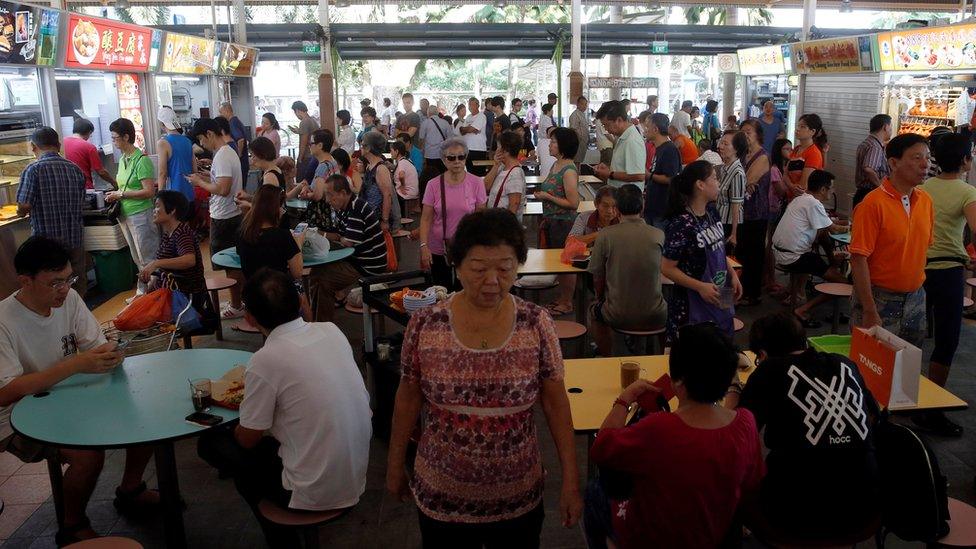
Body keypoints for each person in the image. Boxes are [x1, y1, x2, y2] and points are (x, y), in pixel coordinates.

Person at [387, 209, 582, 547]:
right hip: (441, 497)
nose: (492, 281)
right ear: (457, 266)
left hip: (517, 498)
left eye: (505, 269)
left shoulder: (535, 324)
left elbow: (555, 402)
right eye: (478, 269)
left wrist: (571, 480)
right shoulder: (426, 324)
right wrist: (393, 465)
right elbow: (408, 397)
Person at [0, 236, 158, 545]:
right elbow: (6, 392)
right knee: (87, 457)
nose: (64, 289)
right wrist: (75, 365)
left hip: (69, 395)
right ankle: (72, 526)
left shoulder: (68, 299)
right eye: (54, 283)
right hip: (17, 415)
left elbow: (94, 345)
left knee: (144, 417)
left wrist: (110, 351)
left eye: (68, 278)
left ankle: (130, 489)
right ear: (25, 281)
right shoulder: (4, 320)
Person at [198, 268, 371, 548]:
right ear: (300, 301)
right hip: (355, 475)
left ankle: (283, 541)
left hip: (311, 492)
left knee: (213, 445)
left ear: (251, 319)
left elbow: (248, 438)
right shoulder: (331, 331)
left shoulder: (266, 360)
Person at [584, 322, 764, 549]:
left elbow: (601, 447)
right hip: (717, 533)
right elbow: (752, 484)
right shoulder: (745, 423)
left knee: (595, 491)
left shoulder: (658, 428)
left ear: (678, 382)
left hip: (655, 538)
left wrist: (624, 400)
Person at [724, 312, 880, 542]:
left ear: (763, 355)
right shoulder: (845, 364)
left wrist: (734, 388)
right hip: (866, 508)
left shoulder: (769, 371)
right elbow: (874, 416)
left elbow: (737, 434)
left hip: (794, 515)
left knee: (732, 477)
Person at [915, 133, 976, 436]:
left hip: (918, 270)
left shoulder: (922, 189)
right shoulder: (967, 192)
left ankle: (904, 397)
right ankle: (931, 409)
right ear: (966, 160)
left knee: (912, 337)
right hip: (950, 272)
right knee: (947, 339)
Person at [850, 133, 934, 349]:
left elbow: (921, 249)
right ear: (893, 163)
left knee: (907, 366)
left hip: (916, 297)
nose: (925, 164)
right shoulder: (872, 204)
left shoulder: (925, 201)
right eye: (917, 158)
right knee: (873, 365)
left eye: (928, 157)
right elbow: (858, 259)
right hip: (880, 299)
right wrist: (869, 309)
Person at [662, 161, 743, 342]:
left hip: (721, 289)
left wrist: (732, 275)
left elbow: (719, 250)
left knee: (724, 340)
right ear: (700, 185)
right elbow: (667, 268)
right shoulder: (681, 223)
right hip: (691, 301)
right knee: (699, 352)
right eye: (714, 178)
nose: (718, 183)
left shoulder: (712, 212)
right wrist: (700, 287)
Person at [588, 184, 667, 356]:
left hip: (618, 314)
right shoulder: (659, 235)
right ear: (643, 205)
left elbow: (597, 276)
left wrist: (600, 298)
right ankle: (659, 358)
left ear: (616, 209)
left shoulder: (605, 235)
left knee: (594, 312)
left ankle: (608, 357)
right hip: (656, 313)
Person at [16, 127, 88, 296]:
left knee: (51, 285)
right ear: (58, 145)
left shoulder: (33, 170)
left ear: (33, 147)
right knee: (75, 280)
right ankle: (77, 316)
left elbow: (24, 205)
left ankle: (56, 320)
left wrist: (20, 212)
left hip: (46, 243)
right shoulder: (75, 169)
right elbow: (82, 201)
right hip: (74, 238)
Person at [772, 170, 850, 324]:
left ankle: (833, 263)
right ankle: (803, 310)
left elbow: (826, 223)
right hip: (794, 257)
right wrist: (852, 227)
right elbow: (833, 228)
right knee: (843, 283)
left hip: (782, 252)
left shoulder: (801, 199)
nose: (832, 191)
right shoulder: (813, 203)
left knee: (821, 235)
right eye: (831, 188)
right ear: (823, 189)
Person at [308, 174, 387, 321]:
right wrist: (321, 233)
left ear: (343, 193)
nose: (327, 200)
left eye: (329, 195)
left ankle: (321, 326)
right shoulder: (345, 207)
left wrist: (335, 237)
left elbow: (348, 242)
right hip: (357, 259)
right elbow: (339, 236)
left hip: (367, 265)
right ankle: (317, 320)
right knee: (316, 272)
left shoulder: (357, 208)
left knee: (323, 281)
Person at [190, 117, 245, 318]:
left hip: (224, 217)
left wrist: (199, 182)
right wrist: (206, 177)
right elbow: (222, 182)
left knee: (230, 266)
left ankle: (237, 305)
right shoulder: (227, 152)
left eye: (201, 140)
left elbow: (222, 189)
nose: (201, 144)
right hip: (232, 214)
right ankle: (240, 303)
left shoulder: (222, 156)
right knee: (234, 264)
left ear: (210, 134)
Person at [419, 137, 487, 289]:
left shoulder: (476, 183)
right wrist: (424, 246)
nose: (457, 161)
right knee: (440, 292)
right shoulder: (433, 184)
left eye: (461, 157)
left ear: (465, 158)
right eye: (451, 157)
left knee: (465, 292)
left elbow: (480, 219)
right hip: (438, 247)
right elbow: (425, 219)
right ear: (444, 160)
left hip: (466, 247)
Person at [105, 118, 158, 295]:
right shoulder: (123, 159)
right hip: (125, 214)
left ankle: (153, 293)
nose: (113, 141)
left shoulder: (141, 160)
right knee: (136, 256)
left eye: (115, 138)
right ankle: (142, 291)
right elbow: (123, 186)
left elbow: (149, 191)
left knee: (147, 255)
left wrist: (121, 194)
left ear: (126, 137)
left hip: (141, 214)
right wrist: (117, 194)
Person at [536, 128, 581, 315]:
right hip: (553, 221)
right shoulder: (556, 165)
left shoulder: (568, 170)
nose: (550, 144)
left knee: (566, 263)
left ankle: (567, 302)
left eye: (553, 141)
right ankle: (562, 297)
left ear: (563, 146)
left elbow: (573, 203)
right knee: (558, 263)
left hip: (564, 223)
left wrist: (548, 197)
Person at [140, 190, 205, 295]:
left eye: (157, 206)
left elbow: (189, 260)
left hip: (182, 297)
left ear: (172, 210)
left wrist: (156, 263)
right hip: (168, 292)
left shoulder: (182, 233)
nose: (154, 210)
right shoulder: (168, 234)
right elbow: (163, 271)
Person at [737, 119, 771, 306]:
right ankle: (741, 290)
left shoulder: (763, 156)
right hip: (742, 211)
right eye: (742, 132)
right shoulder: (743, 154)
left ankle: (752, 293)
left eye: (748, 132)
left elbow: (746, 181)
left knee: (754, 253)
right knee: (741, 252)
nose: (745, 135)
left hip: (756, 213)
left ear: (758, 134)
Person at [294, 129, 341, 233]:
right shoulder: (333, 161)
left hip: (322, 214)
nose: (309, 145)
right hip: (334, 210)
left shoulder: (322, 167)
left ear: (320, 145)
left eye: (311, 143)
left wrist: (306, 195)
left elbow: (318, 195)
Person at [594, 101, 646, 190]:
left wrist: (610, 174)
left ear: (619, 120)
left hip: (628, 198)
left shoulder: (632, 140)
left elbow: (639, 175)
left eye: (607, 125)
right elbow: (624, 168)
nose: (606, 129)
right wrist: (609, 169)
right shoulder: (621, 137)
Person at [644, 113, 681, 229]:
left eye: (647, 127)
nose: (645, 130)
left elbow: (671, 178)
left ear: (655, 129)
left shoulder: (669, 150)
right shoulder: (659, 148)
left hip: (662, 210)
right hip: (653, 207)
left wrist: (648, 175)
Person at [358, 132, 400, 231]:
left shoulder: (380, 169)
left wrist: (384, 220)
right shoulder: (369, 166)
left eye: (362, 145)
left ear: (368, 148)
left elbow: (387, 195)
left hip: (377, 217)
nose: (360, 148)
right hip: (369, 216)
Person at [484, 130, 528, 221]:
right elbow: (485, 187)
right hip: (495, 223)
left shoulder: (515, 174)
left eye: (498, 147)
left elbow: (514, 206)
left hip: (504, 228)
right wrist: (496, 165)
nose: (496, 150)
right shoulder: (501, 167)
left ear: (506, 151)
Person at [156, 107, 196, 203]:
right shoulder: (187, 141)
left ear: (162, 124)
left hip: (174, 196)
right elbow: (195, 170)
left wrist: (159, 198)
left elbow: (162, 173)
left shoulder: (163, 143)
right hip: (189, 194)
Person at [63, 118, 116, 190]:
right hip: (84, 188)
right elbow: (101, 171)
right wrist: (113, 183)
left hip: (67, 187)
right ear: (89, 132)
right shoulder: (89, 147)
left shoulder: (62, 143)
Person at [853, 114, 893, 209]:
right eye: (891, 127)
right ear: (885, 127)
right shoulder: (875, 146)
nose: (891, 130)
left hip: (862, 192)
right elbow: (868, 169)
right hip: (869, 193)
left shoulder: (867, 142)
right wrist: (880, 186)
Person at [716, 131, 747, 247]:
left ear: (736, 149)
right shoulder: (725, 168)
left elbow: (736, 205)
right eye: (721, 143)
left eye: (725, 144)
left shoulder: (737, 173)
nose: (720, 147)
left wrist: (734, 234)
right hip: (721, 221)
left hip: (730, 224)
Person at [787, 113, 826, 201]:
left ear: (812, 131)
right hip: (790, 197)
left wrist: (792, 188)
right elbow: (785, 174)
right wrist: (791, 186)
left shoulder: (813, 153)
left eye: (802, 127)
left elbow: (803, 186)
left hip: (803, 201)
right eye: (798, 126)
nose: (797, 129)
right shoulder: (796, 149)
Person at [419, 104, 455, 191]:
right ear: (437, 113)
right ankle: (444, 191)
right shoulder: (445, 123)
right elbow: (451, 139)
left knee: (431, 176)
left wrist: (422, 152)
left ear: (428, 113)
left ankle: (433, 191)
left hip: (429, 155)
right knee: (443, 175)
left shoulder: (425, 123)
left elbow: (421, 139)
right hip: (443, 155)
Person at [220, 102, 250, 181]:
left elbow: (240, 140)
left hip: (241, 162)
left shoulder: (232, 123)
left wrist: (237, 156)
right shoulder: (236, 121)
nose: (220, 115)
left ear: (227, 110)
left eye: (221, 112)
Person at [459, 96, 488, 173]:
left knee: (479, 174)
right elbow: (461, 131)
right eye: (469, 105)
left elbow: (472, 129)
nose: (470, 107)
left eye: (472, 104)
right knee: (469, 172)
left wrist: (469, 129)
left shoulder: (481, 116)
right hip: (468, 149)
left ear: (477, 105)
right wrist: (469, 129)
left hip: (478, 149)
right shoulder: (468, 117)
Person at [391, 141, 419, 217]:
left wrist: (403, 186)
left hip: (406, 193)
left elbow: (401, 175)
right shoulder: (407, 161)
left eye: (391, 151)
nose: (390, 153)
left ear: (397, 151)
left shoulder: (402, 162)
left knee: (386, 195)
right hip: (412, 191)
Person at [290, 100, 319, 168]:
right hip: (315, 154)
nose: (296, 115)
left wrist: (299, 158)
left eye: (295, 112)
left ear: (297, 111)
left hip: (308, 156)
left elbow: (303, 142)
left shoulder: (304, 122)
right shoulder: (312, 120)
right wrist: (299, 131)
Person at [569, 96, 590, 164]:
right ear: (577, 104)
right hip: (578, 143)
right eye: (582, 104)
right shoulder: (575, 115)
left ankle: (578, 174)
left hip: (583, 143)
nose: (584, 106)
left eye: (585, 104)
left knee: (579, 162)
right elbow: (573, 129)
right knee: (576, 162)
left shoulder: (582, 114)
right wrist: (578, 140)